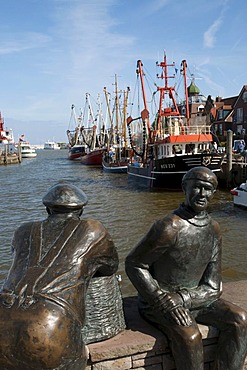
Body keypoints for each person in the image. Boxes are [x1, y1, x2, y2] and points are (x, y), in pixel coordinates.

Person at [125, 166, 247, 370]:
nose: (202, 194)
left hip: (194, 299)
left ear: (213, 193)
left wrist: (184, 299)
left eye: (207, 189)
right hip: (161, 303)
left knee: (240, 321)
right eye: (197, 187)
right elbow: (134, 264)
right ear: (185, 187)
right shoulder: (169, 226)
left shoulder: (214, 229)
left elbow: (214, 286)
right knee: (190, 336)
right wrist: (160, 298)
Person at [0, 183, 119, 370]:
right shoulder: (93, 230)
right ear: (80, 210)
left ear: (48, 209)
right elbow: (111, 267)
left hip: (4, 313)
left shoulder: (22, 230)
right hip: (50, 323)